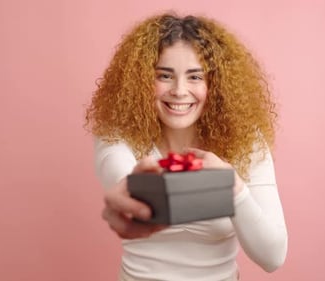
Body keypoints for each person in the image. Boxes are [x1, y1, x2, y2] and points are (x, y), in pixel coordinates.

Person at [85, 12, 288, 281]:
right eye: (165, 76)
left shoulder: (247, 143)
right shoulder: (119, 135)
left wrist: (233, 188)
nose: (179, 90)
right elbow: (133, 192)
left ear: (215, 84)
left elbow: (272, 256)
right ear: (141, 80)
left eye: (195, 77)